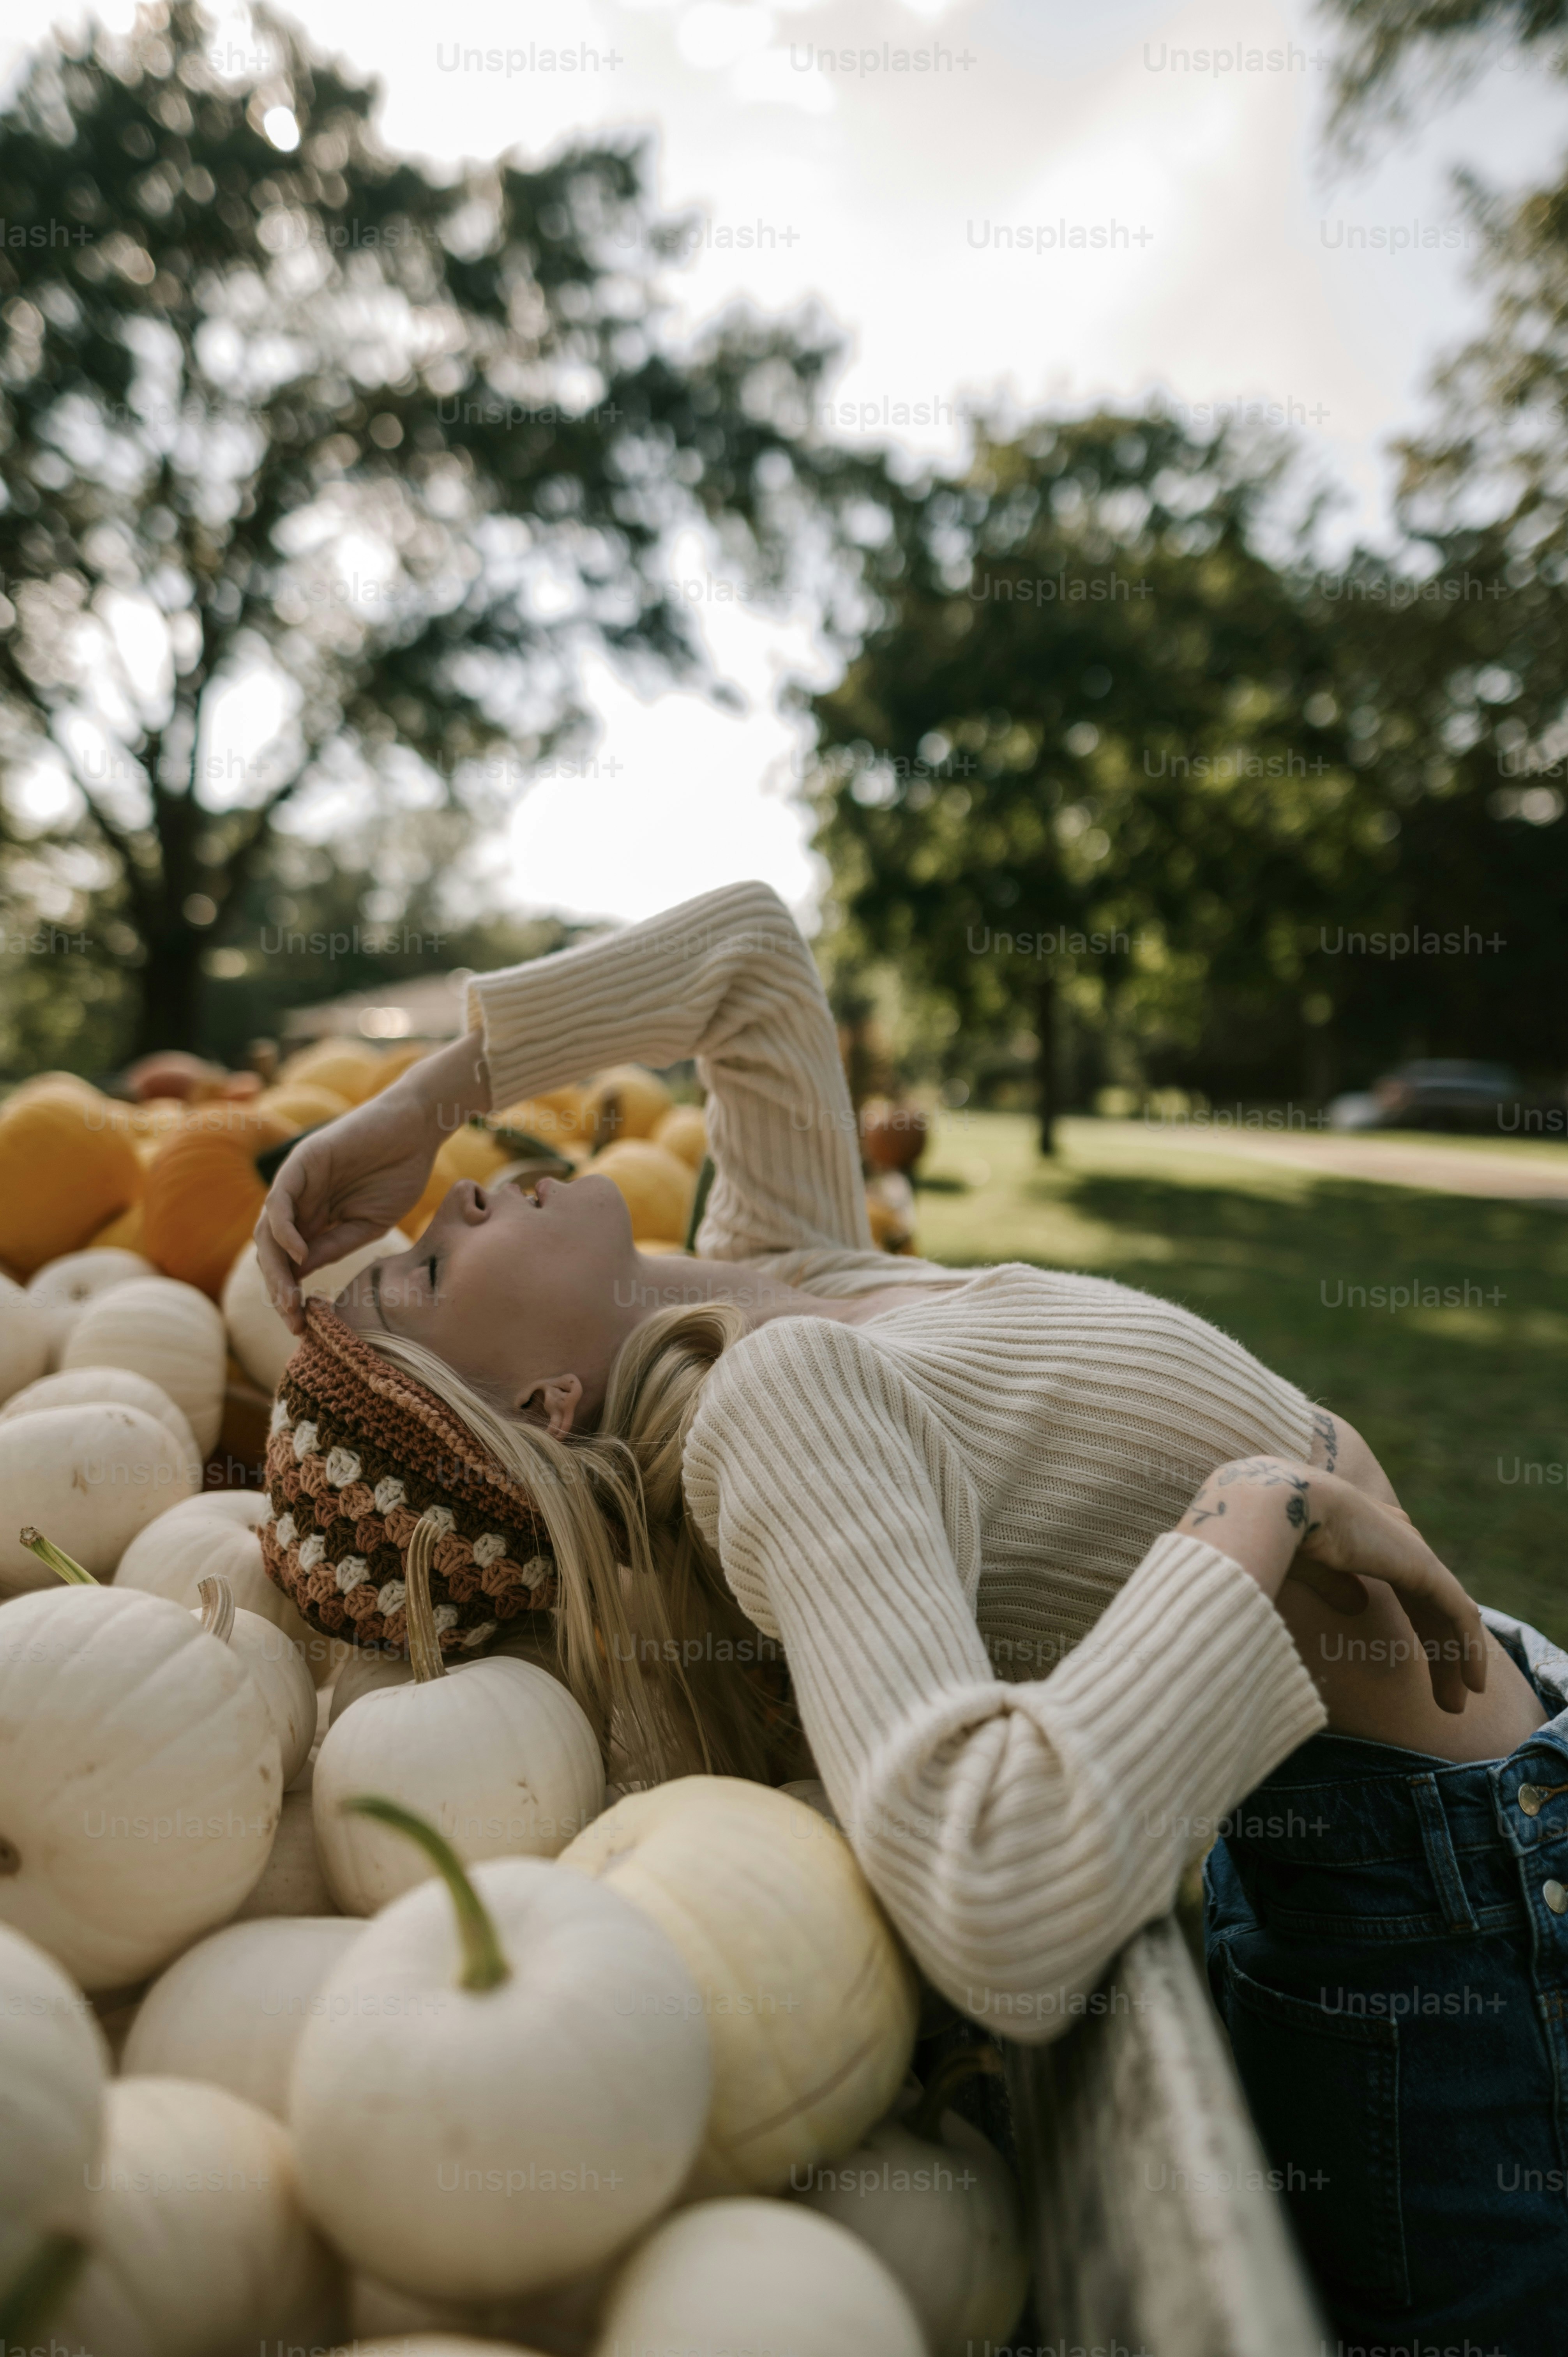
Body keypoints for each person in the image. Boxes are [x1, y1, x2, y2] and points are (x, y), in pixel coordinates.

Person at [254, 880, 1552, 2345]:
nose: (467, 1194)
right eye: (431, 1269)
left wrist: (429, 1095)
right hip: (1463, 1927)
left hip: (1490, 1802)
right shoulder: (778, 1412)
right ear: (543, 1412)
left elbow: (750, 958)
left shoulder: (785, 1266)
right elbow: (994, 1894)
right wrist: (1261, 1511)